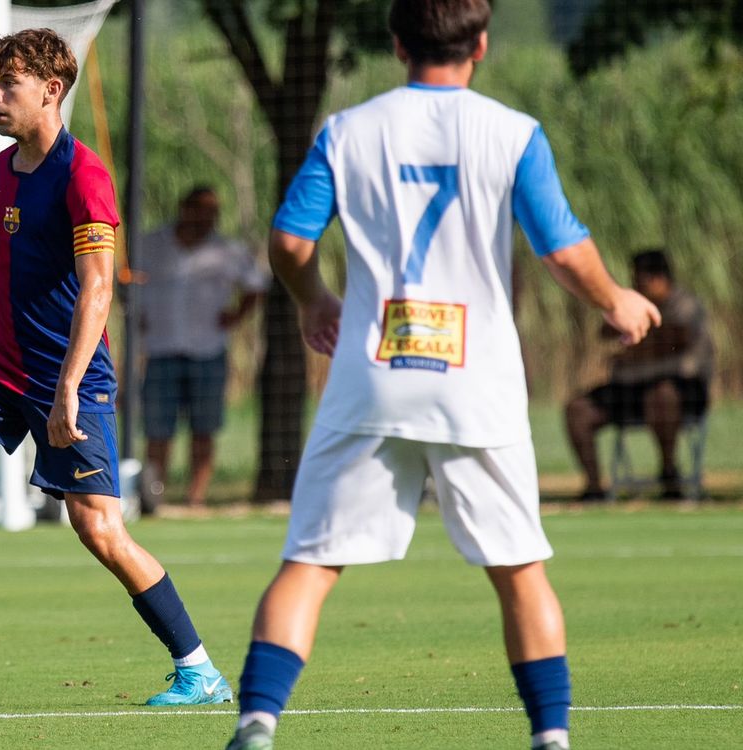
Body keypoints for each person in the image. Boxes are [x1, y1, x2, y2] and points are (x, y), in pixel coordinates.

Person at [223, 1, 660, 749]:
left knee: (311, 563)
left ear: (397, 43)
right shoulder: (512, 132)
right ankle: (551, 738)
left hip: (372, 375)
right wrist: (615, 296)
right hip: (474, 383)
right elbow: (560, 249)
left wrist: (314, 301)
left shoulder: (347, 130)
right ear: (481, 44)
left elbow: (291, 239)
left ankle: (258, 725)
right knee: (519, 569)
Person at [0, 28, 232, 707]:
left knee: (97, 528)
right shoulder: (2, 169)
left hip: (69, 377)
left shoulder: (84, 176)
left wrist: (67, 387)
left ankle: (198, 668)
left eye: (6, 85)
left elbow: (98, 289)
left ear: (50, 90)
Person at [134, 186, 268, 510]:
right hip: (160, 349)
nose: (207, 216)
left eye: (213, 211)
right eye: (201, 208)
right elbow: (126, 284)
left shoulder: (227, 250)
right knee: (157, 430)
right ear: (184, 207)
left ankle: (196, 500)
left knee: (204, 429)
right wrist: (138, 318)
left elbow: (257, 285)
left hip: (208, 351)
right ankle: (156, 499)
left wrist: (237, 315)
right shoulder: (150, 244)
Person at [565, 249, 713, 500]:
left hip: (681, 391)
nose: (635, 286)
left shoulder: (684, 305)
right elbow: (607, 333)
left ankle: (669, 475)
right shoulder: (632, 305)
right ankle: (593, 486)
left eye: (639, 280)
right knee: (578, 409)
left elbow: (677, 341)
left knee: (662, 395)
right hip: (631, 389)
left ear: (657, 279)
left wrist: (640, 346)